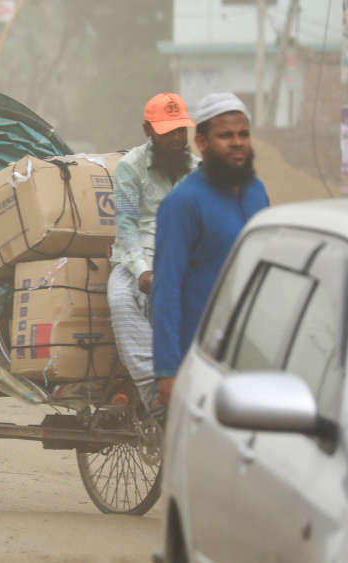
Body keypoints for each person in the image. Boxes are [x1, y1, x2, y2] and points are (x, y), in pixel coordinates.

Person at [152, 93, 270, 404]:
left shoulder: (257, 192)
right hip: (203, 356)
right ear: (202, 142)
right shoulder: (183, 203)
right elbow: (167, 288)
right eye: (225, 135)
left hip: (253, 349)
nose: (237, 143)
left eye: (243, 134)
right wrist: (167, 370)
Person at [108, 93, 199, 411]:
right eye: (167, 131)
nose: (176, 138)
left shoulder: (199, 171)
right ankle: (155, 397)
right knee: (121, 300)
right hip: (135, 262)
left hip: (185, 261)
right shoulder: (129, 168)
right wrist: (143, 270)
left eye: (180, 130)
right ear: (148, 131)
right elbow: (127, 224)